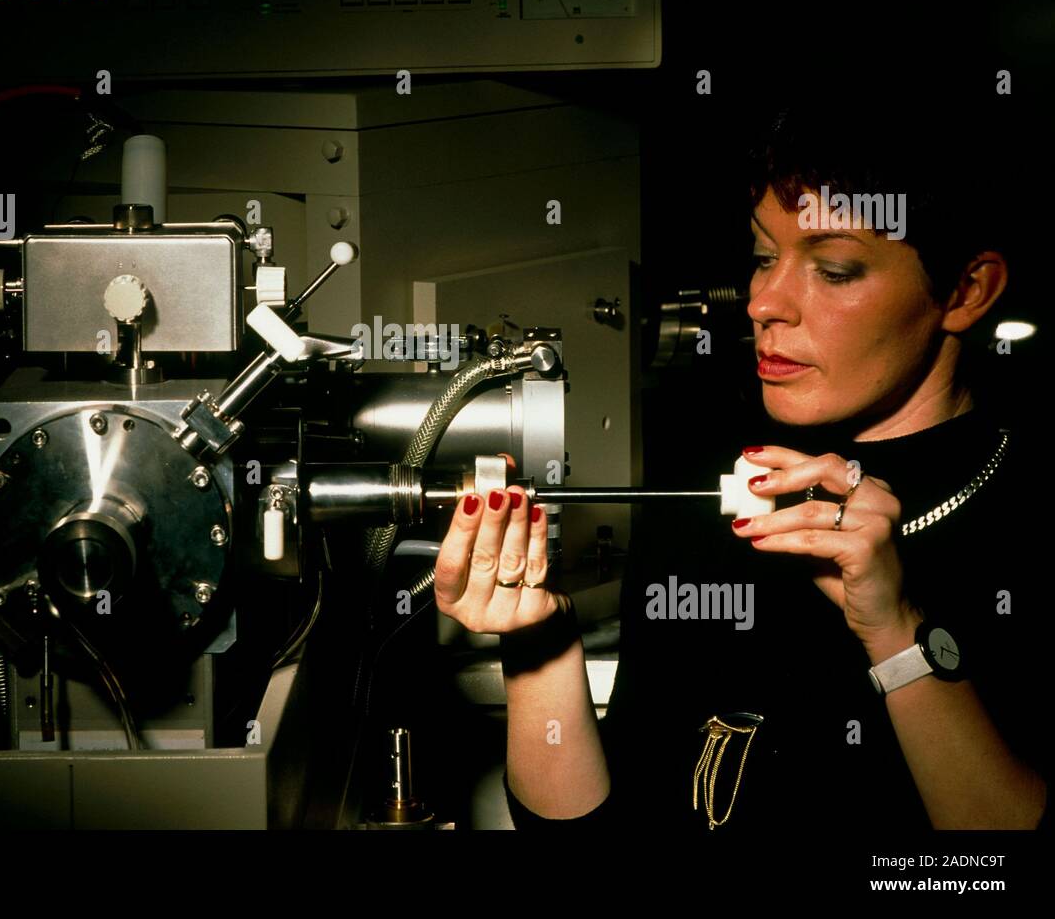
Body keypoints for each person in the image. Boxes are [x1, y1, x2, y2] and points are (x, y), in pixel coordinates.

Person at [433, 106, 1051, 832]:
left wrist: (895, 631)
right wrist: (539, 646)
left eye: (834, 268)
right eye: (764, 255)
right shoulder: (710, 482)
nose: (764, 302)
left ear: (967, 290)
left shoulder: (1030, 519)